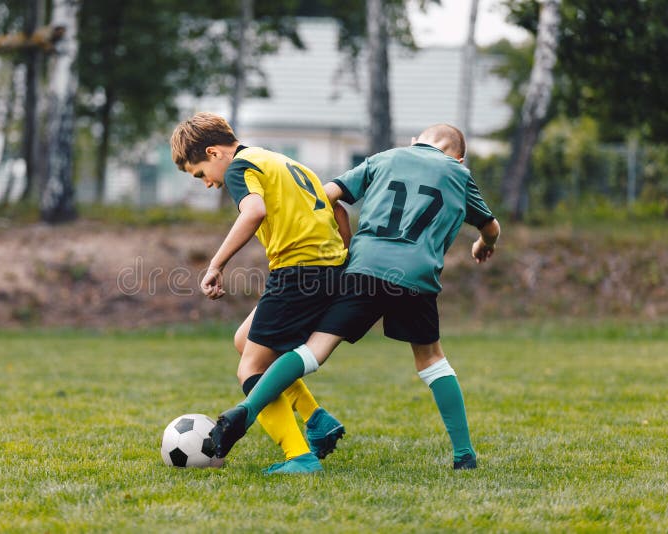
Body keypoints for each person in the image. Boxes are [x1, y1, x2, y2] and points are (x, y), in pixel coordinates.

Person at [211, 123, 501, 470]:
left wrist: (334, 242)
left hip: (364, 269)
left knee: (313, 351)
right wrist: (485, 244)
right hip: (416, 277)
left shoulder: (383, 159)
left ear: (413, 143)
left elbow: (326, 195)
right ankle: (464, 455)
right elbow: (491, 226)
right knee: (432, 361)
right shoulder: (458, 174)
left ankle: (247, 410)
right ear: (459, 156)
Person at [170, 112, 350, 474]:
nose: (206, 183)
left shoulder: (239, 166)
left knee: (250, 368)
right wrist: (339, 259)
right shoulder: (280, 160)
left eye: (200, 173)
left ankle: (299, 456)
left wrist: (216, 264)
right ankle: (316, 418)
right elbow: (337, 207)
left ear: (214, 153)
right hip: (325, 268)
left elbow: (253, 212)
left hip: (299, 272)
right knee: (244, 340)